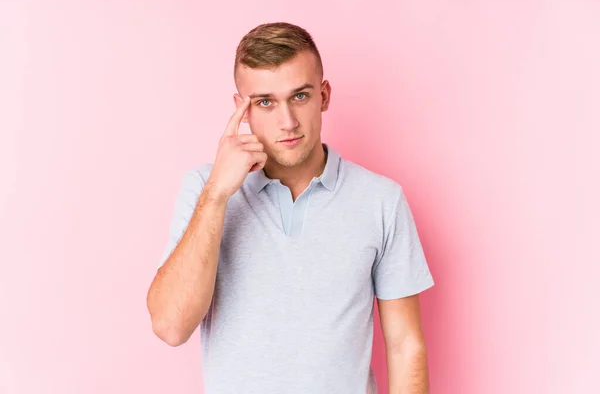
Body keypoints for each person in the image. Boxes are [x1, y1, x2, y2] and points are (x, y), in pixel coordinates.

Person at [146, 22, 435, 394]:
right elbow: (170, 326)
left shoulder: (381, 200)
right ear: (242, 109)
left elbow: (405, 346)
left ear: (324, 96)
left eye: (299, 96)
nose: (287, 122)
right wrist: (218, 194)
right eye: (265, 102)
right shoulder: (205, 189)